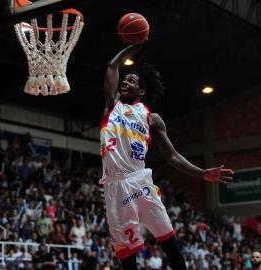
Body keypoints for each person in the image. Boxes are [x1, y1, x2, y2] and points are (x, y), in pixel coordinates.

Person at [100, 44, 234, 270]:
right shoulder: (112, 107)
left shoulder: (152, 119)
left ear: (141, 91)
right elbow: (112, 65)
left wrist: (202, 173)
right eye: (125, 80)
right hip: (115, 186)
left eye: (132, 81)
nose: (125, 82)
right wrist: (137, 43)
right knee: (127, 257)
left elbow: (172, 156)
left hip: (141, 181)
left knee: (170, 244)